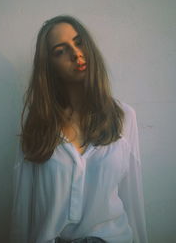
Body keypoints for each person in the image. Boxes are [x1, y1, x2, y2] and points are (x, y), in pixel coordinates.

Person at [10, 15, 148, 243]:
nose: (76, 53)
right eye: (60, 51)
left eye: (79, 42)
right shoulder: (37, 123)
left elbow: (133, 197)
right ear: (49, 66)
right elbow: (22, 207)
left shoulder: (124, 117)